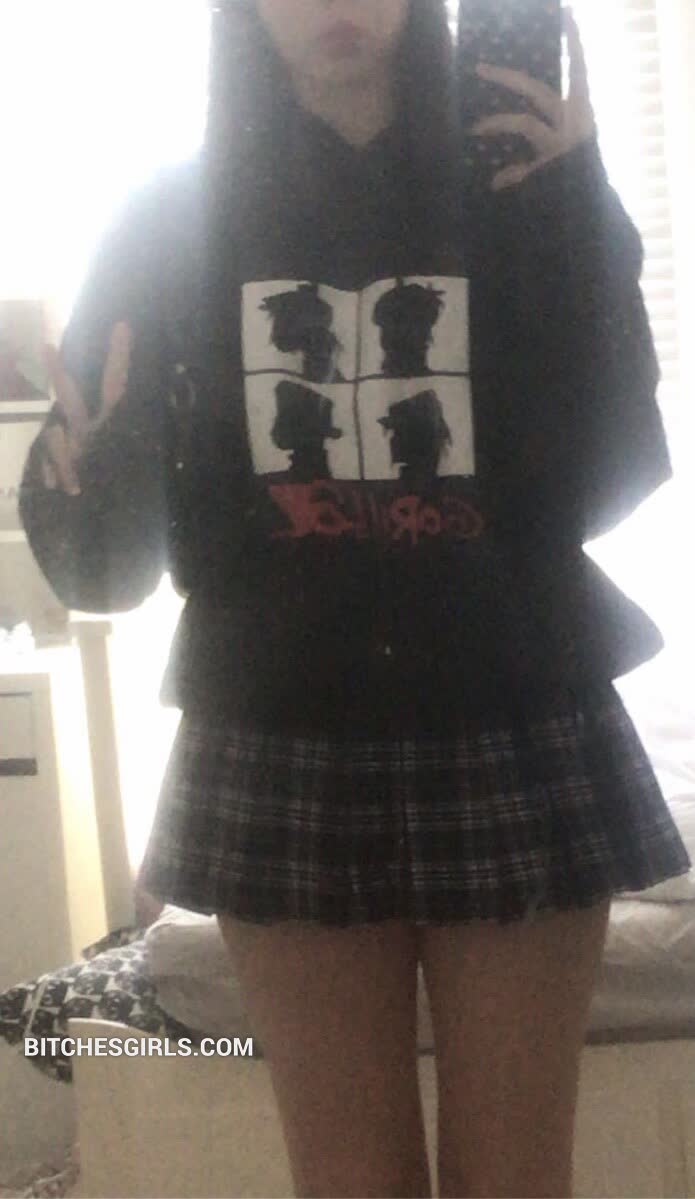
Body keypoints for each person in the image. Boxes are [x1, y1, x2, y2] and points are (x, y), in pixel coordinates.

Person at [19, 2, 691, 1196]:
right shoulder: (168, 215)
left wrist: (571, 218)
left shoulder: (518, 182)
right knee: (347, 1182)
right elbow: (109, 568)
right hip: (276, 731)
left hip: (512, 715)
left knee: (515, 1180)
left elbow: (606, 480)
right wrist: (81, 475)